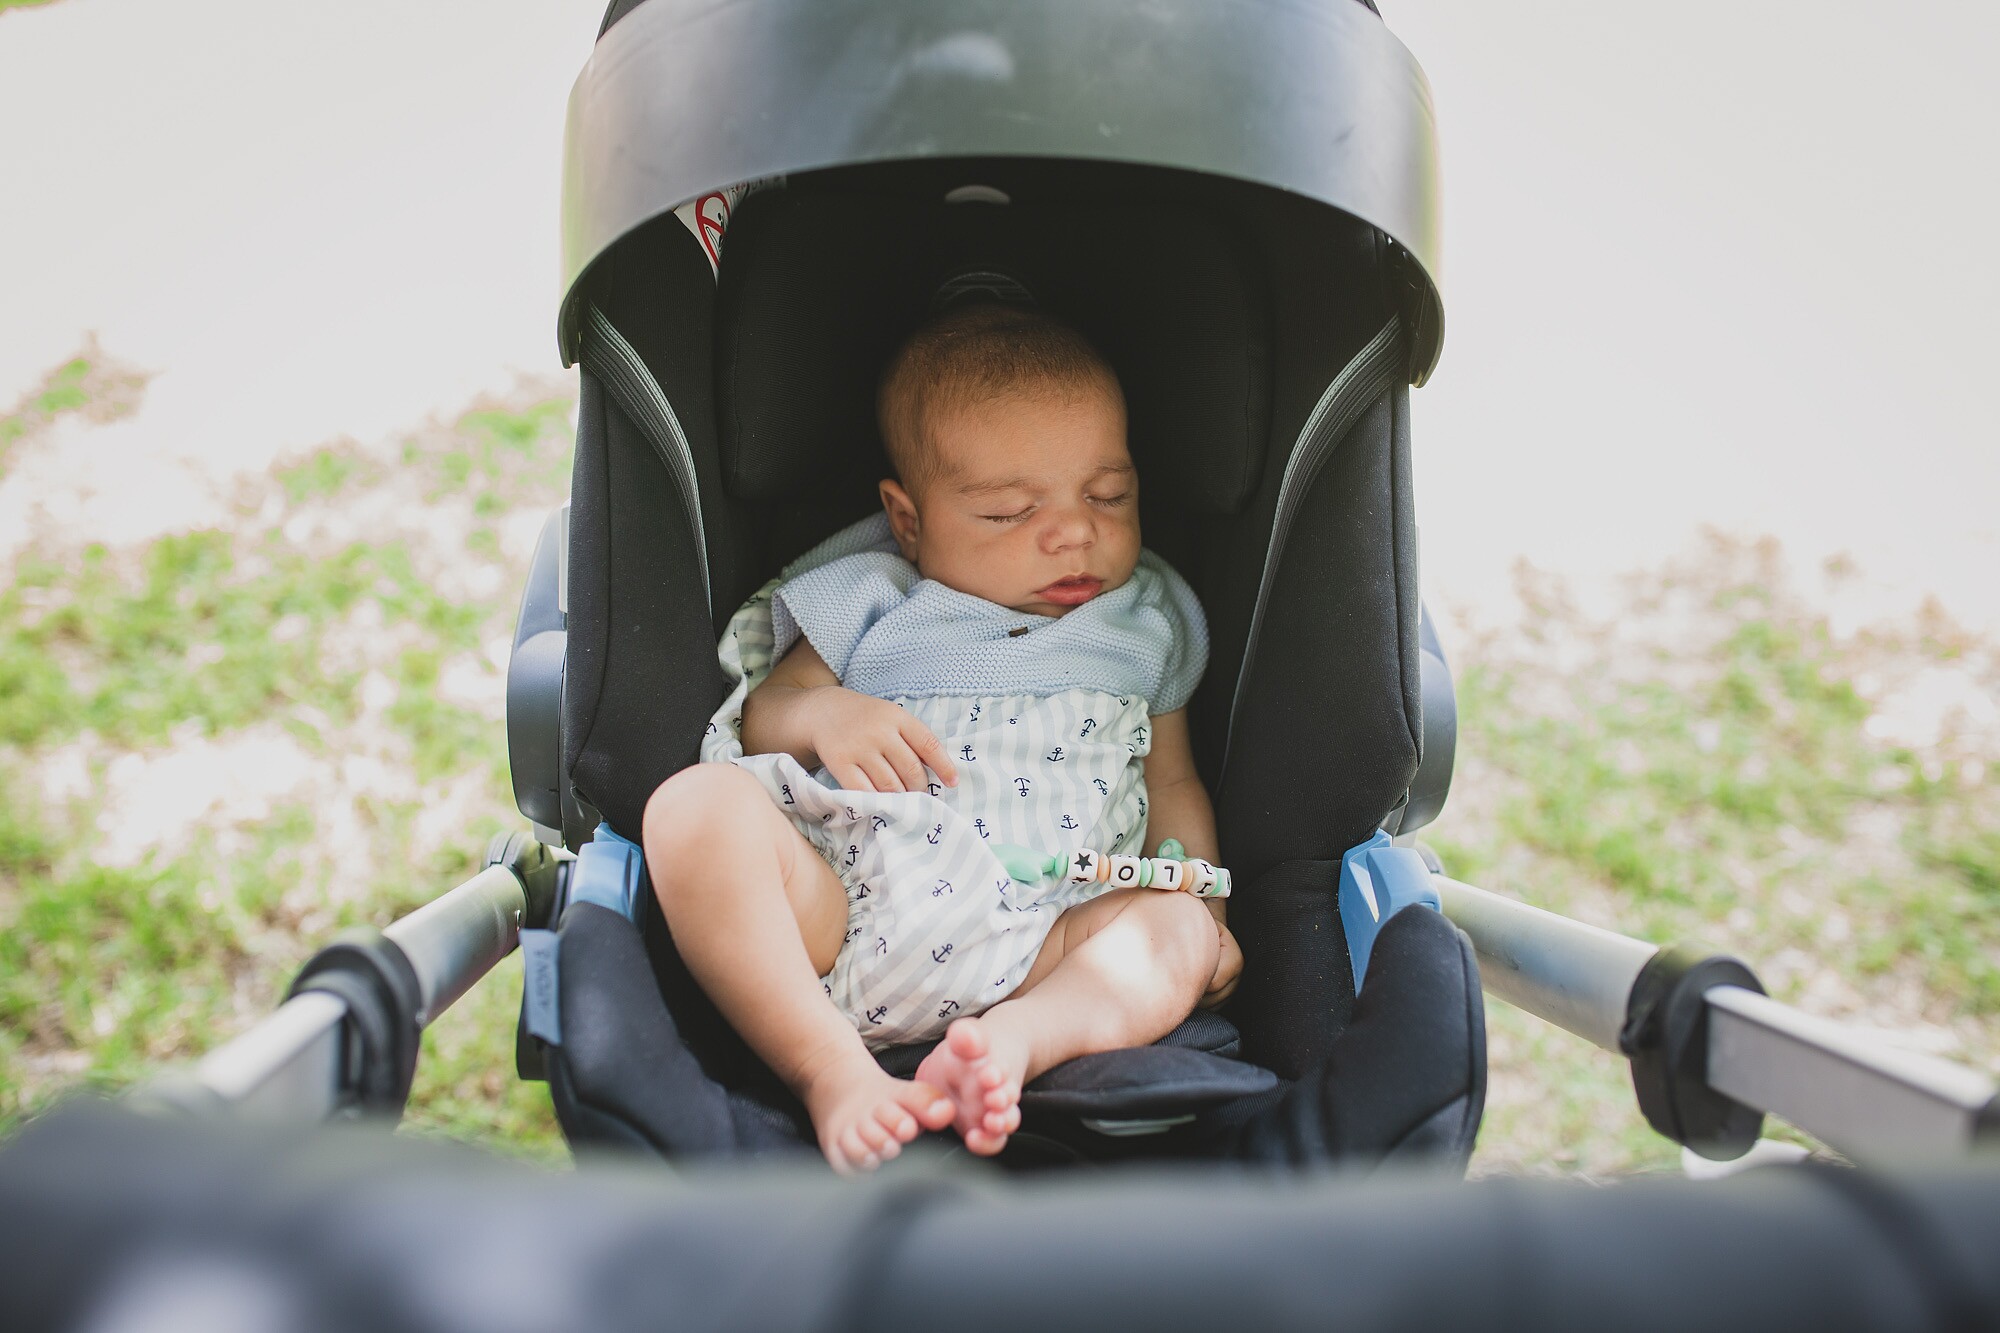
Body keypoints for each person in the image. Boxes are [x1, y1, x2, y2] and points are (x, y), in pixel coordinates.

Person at [643, 302, 1242, 1173]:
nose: (1074, 531)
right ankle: (829, 1068)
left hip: (1053, 939)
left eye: (1108, 495)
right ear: (911, 519)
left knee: (1175, 933)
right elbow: (770, 712)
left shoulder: (1147, 620)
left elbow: (1177, 784)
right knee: (692, 808)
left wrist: (1207, 905)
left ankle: (1010, 1048)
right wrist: (824, 711)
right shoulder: (877, 597)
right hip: (845, 907)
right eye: (1007, 512)